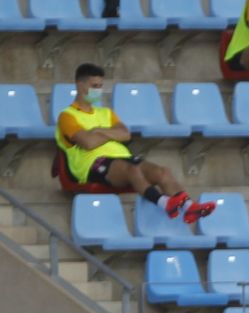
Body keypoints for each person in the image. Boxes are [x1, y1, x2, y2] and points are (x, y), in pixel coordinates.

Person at [56, 63, 216, 222]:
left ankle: (190, 207)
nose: (97, 90)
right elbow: (88, 143)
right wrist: (111, 134)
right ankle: (164, 203)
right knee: (132, 170)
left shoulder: (106, 113)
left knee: (162, 172)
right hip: (92, 164)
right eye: (94, 86)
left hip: (121, 157)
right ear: (79, 85)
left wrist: (98, 130)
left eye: (100, 86)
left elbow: (125, 134)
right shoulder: (67, 116)